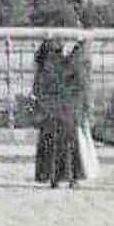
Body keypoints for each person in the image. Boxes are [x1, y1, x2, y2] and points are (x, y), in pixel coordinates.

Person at [33, 37, 76, 188]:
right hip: (63, 110)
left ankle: (53, 178)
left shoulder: (42, 68)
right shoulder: (62, 64)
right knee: (67, 146)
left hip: (49, 112)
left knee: (50, 146)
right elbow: (71, 83)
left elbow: (37, 90)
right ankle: (69, 178)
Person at [64, 32, 99, 186]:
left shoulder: (77, 54)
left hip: (72, 101)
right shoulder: (83, 55)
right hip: (77, 102)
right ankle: (76, 175)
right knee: (78, 140)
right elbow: (83, 82)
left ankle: (73, 175)